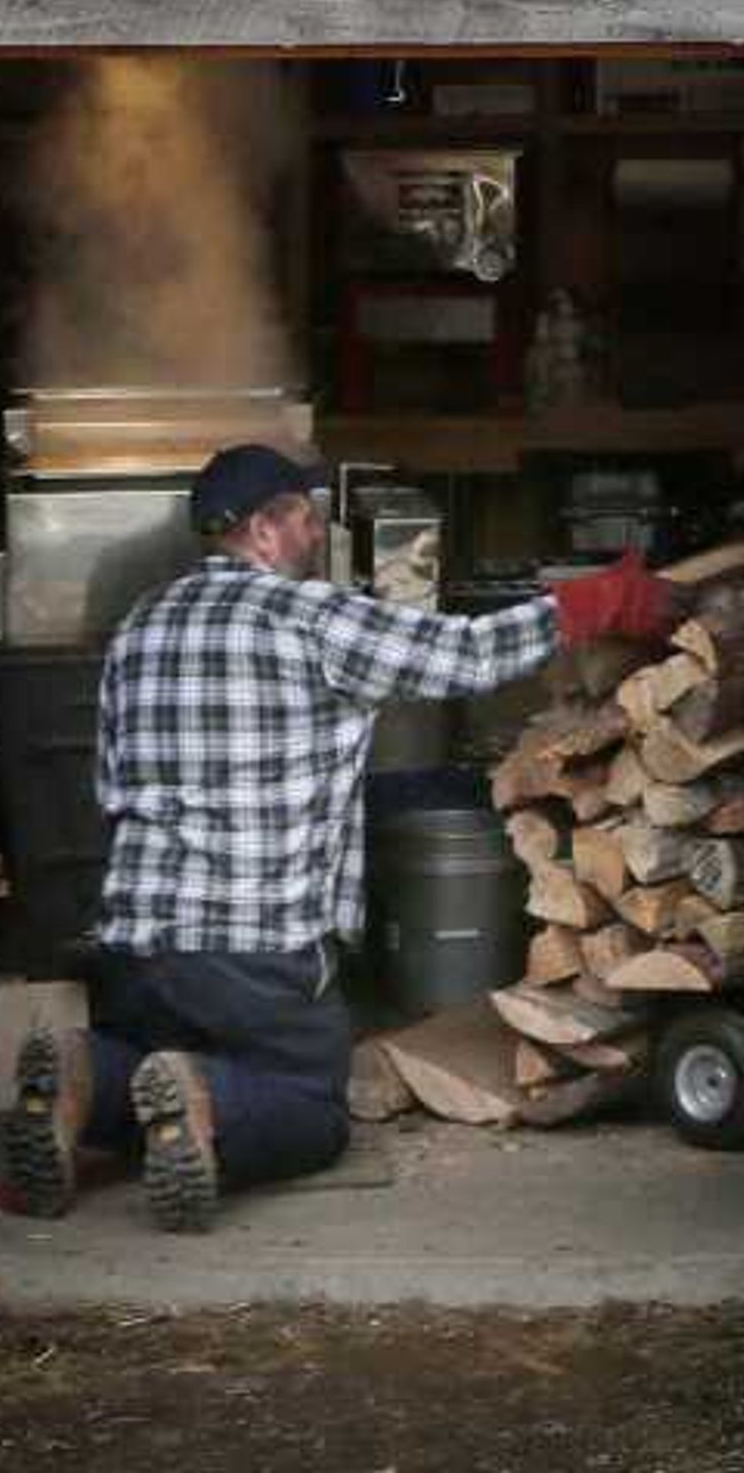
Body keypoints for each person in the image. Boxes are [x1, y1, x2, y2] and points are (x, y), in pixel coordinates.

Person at [65, 439, 687, 1227]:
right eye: (303, 517)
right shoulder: (305, 615)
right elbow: (460, 654)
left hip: (132, 949)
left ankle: (86, 1075)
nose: (313, 533)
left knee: (163, 1055)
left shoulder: (138, 626)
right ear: (263, 528)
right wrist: (589, 604)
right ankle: (205, 1105)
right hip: (251, 955)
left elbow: (109, 787)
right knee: (310, 1107)